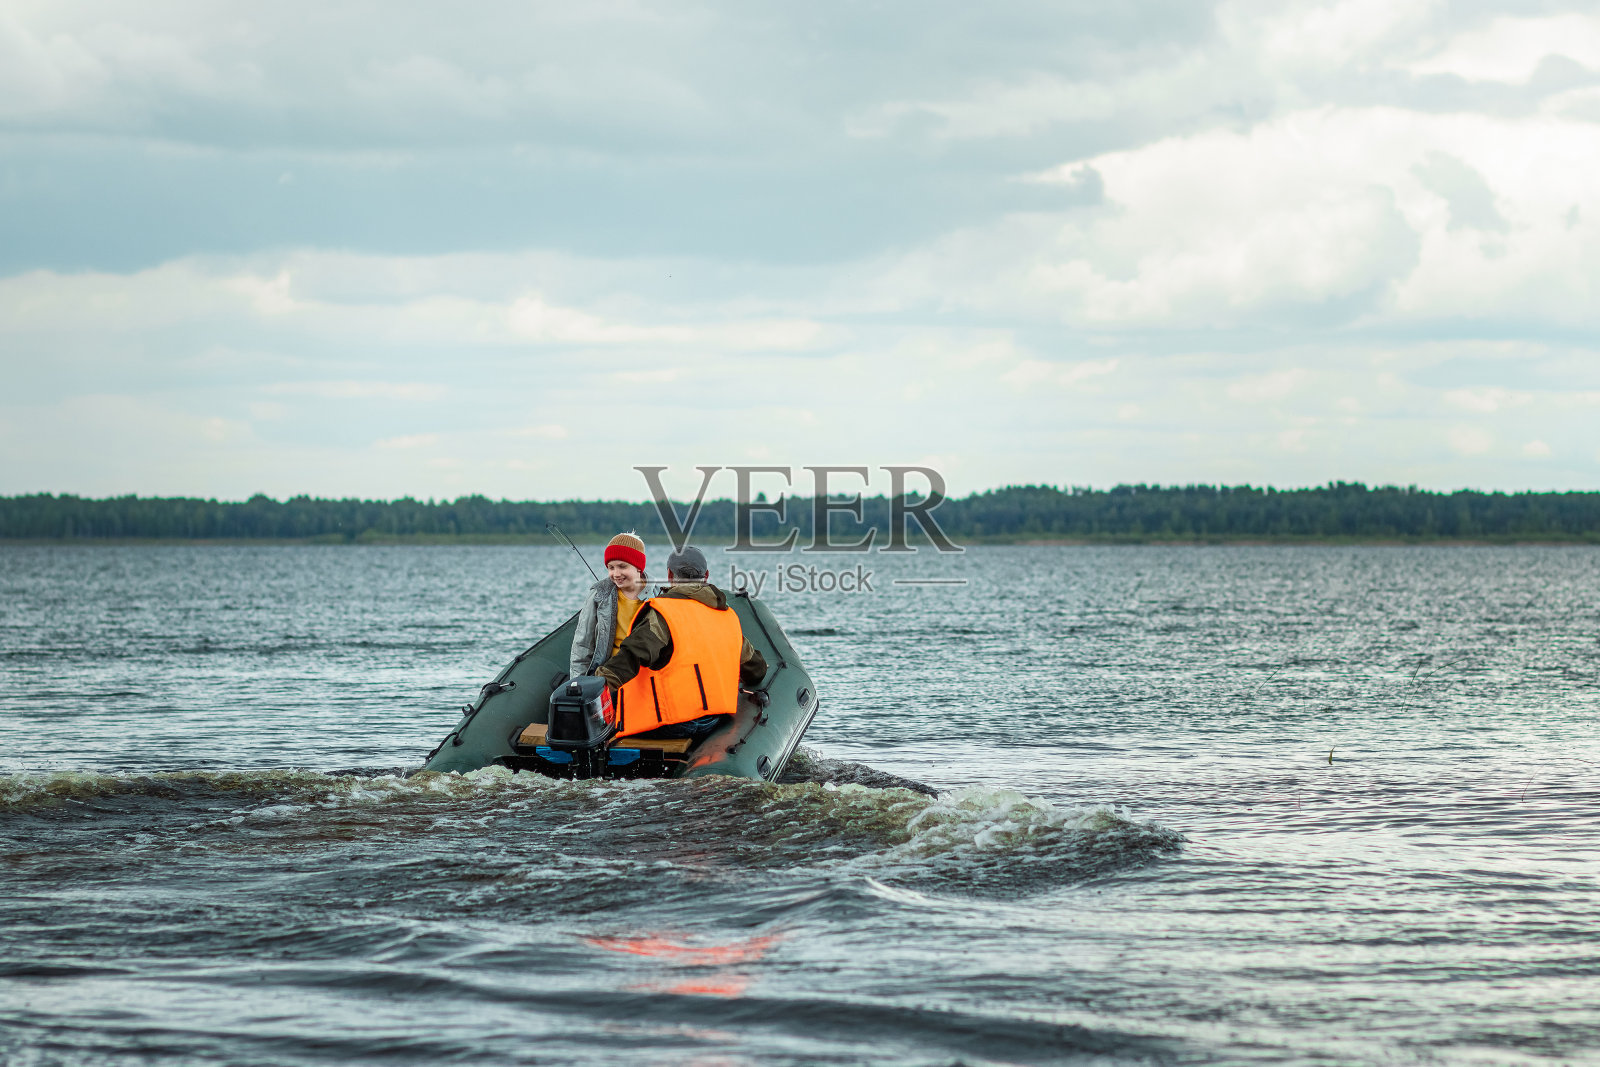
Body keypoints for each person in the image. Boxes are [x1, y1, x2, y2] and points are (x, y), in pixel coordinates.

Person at [594, 545, 767, 739]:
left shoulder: (663, 613)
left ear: (669, 574)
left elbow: (632, 655)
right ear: (707, 575)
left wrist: (596, 685)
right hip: (714, 719)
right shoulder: (727, 616)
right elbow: (756, 670)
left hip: (672, 724)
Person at [569, 532, 654, 681]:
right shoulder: (598, 594)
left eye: (622, 566)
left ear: (639, 567)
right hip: (608, 676)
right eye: (611, 567)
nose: (616, 574)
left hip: (646, 676)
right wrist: (578, 683)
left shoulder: (658, 595)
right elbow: (582, 646)